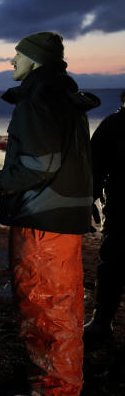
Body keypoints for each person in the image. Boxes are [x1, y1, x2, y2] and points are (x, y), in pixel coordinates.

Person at [0, 31, 99, 396]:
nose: (12, 62)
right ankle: (56, 381)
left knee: (45, 305)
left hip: (44, 219)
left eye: (18, 56)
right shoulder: (64, 98)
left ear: (36, 61)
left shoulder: (39, 99)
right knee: (61, 304)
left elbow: (38, 165)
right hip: (63, 216)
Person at [83, 89, 125, 345]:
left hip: (120, 208)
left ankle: (102, 321)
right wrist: (91, 196)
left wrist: (90, 197)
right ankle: (102, 321)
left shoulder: (113, 123)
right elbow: (94, 165)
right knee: (111, 263)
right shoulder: (114, 124)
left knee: (112, 264)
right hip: (120, 207)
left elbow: (93, 165)